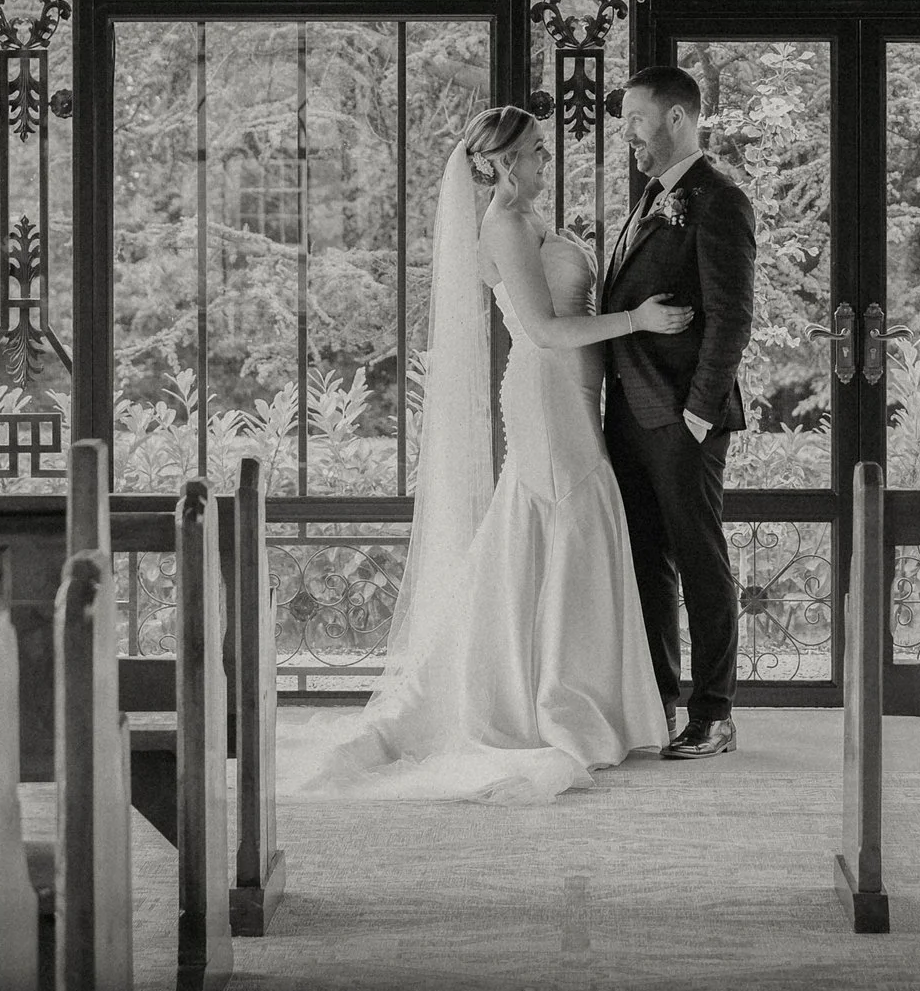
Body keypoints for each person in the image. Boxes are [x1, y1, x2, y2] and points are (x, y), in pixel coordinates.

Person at [278, 105, 689, 803]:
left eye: (541, 150)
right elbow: (545, 329)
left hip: (577, 391)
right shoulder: (502, 224)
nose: (543, 162)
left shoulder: (529, 219)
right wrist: (639, 319)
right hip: (545, 390)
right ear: (498, 163)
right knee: (564, 518)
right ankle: (552, 699)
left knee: (569, 526)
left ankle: (576, 692)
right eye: (533, 152)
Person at [600, 65, 756, 761]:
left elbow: (732, 317)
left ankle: (715, 712)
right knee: (647, 562)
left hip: (684, 416)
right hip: (632, 413)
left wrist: (698, 414)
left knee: (699, 559)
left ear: (675, 118)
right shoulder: (651, 197)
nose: (625, 131)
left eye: (635, 117)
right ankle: (660, 701)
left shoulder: (718, 199)